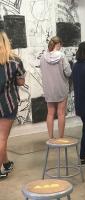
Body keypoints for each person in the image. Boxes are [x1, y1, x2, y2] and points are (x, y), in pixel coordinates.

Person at [0, 31, 26, 179]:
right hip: (7, 103)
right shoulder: (15, 60)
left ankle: (6, 162)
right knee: (2, 138)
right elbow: (21, 81)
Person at [40, 36, 71, 139]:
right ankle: (61, 138)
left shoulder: (43, 56)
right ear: (59, 44)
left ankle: (50, 137)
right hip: (61, 88)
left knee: (50, 113)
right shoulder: (62, 56)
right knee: (61, 113)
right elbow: (68, 72)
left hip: (49, 89)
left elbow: (43, 72)